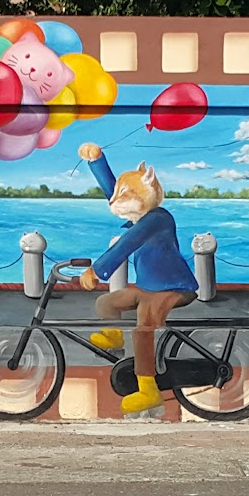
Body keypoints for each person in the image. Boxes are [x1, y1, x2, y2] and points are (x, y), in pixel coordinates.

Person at [77, 142, 199, 414]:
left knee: (144, 328)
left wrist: (97, 271)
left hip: (173, 287)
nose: (113, 201)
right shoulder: (140, 215)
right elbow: (115, 194)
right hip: (148, 286)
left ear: (148, 189)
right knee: (106, 303)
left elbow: (127, 243)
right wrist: (97, 161)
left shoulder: (157, 218)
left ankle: (148, 390)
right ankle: (114, 340)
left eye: (124, 195)